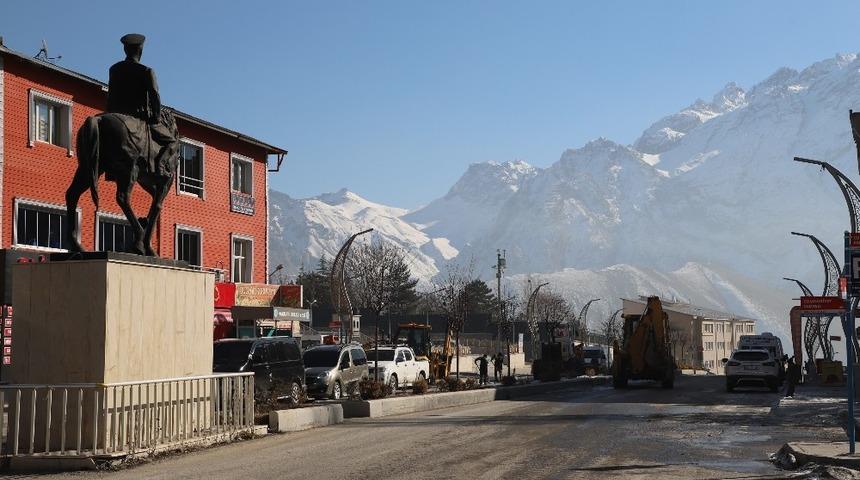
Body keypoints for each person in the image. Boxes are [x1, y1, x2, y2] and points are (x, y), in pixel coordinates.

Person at [107, 33, 176, 174]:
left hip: (113, 113)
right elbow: (155, 95)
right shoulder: (146, 71)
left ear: (125, 50)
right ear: (140, 50)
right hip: (139, 117)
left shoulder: (114, 69)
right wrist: (156, 117)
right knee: (172, 141)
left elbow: (110, 96)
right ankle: (161, 167)